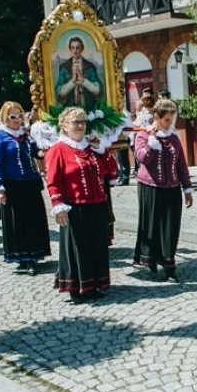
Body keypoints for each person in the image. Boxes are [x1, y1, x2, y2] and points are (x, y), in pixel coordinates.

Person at [45, 107, 116, 302]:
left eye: (83, 122)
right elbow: (53, 180)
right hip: (74, 206)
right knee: (79, 247)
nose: (80, 125)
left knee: (98, 247)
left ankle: (96, 284)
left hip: (98, 204)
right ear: (64, 125)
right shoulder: (57, 150)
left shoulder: (89, 147)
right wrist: (57, 203)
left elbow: (110, 169)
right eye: (75, 122)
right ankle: (78, 288)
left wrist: (101, 149)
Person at [134, 99, 193, 281]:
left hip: (172, 187)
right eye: (166, 119)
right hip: (150, 187)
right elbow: (142, 158)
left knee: (170, 227)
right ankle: (150, 260)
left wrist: (187, 188)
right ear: (156, 117)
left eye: (171, 119)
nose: (170, 123)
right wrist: (151, 141)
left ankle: (169, 265)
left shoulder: (174, 138)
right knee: (151, 225)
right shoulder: (143, 136)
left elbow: (181, 164)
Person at [0, 101, 51, 275]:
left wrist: (46, 151)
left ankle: (36, 253)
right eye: (12, 116)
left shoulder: (24, 134)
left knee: (34, 219)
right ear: (4, 117)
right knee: (20, 221)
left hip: (30, 182)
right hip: (13, 184)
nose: (17, 119)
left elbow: (34, 151)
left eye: (19, 115)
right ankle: (24, 258)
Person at [56, 37, 103, 108]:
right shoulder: (64, 68)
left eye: (77, 48)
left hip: (89, 109)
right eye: (73, 48)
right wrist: (73, 81)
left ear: (82, 49)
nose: (75, 51)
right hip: (70, 111)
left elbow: (98, 90)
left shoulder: (89, 67)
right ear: (70, 49)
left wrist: (83, 80)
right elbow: (60, 93)